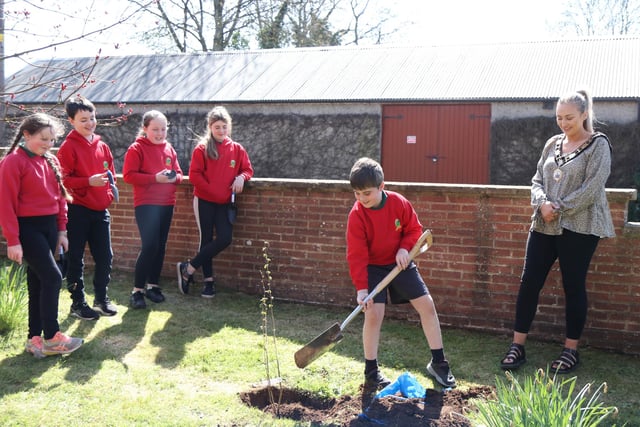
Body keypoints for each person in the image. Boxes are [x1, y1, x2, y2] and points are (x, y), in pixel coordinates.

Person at [500, 89, 615, 374]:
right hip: (543, 223)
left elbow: (592, 188)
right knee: (529, 283)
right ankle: (518, 346)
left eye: (570, 117)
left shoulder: (598, 144)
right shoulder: (553, 143)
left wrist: (559, 208)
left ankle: (570, 351)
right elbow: (537, 178)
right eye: (559, 117)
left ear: (585, 114)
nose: (563, 123)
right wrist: (541, 204)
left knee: (573, 286)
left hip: (581, 226)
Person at [346, 157, 456, 389]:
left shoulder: (399, 203)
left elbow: (414, 229)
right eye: (357, 193)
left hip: (401, 262)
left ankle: (438, 363)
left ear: (381, 186)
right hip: (373, 268)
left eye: (366, 193)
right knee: (373, 314)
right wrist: (362, 288)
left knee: (427, 305)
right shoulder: (357, 215)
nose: (361, 199)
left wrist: (405, 248)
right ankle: (371, 370)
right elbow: (356, 254)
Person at [0, 113, 83, 357]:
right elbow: (5, 205)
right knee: (53, 278)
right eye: (43, 138)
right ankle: (52, 337)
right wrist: (13, 241)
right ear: (27, 135)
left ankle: (34, 339)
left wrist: (61, 230)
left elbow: (60, 200)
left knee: (37, 283)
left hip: (49, 228)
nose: (48, 144)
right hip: (27, 229)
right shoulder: (13, 162)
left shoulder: (51, 161)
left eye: (52, 140)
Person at [177, 106, 253, 298]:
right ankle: (208, 281)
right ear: (210, 127)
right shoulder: (202, 148)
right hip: (204, 200)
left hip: (225, 203)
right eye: (217, 127)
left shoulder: (237, 149)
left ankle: (189, 268)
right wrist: (214, 191)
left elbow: (248, 170)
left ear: (229, 127)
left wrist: (241, 178)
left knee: (225, 238)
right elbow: (194, 175)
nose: (221, 130)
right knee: (206, 240)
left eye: (224, 126)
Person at [57, 95, 118, 320]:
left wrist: (109, 195)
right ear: (71, 121)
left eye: (92, 118)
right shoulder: (67, 148)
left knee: (105, 257)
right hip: (78, 210)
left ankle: (101, 299)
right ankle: (77, 303)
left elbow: (111, 176)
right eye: (83, 119)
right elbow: (61, 181)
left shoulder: (103, 146)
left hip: (101, 211)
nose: (89, 123)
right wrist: (87, 182)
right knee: (75, 258)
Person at [123, 111, 183, 309]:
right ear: (145, 129)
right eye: (155, 129)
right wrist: (154, 178)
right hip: (146, 203)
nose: (160, 133)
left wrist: (174, 177)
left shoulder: (169, 148)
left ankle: (153, 286)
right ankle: (137, 291)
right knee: (149, 246)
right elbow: (129, 175)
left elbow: (180, 174)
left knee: (160, 246)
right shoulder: (136, 148)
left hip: (167, 203)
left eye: (163, 129)